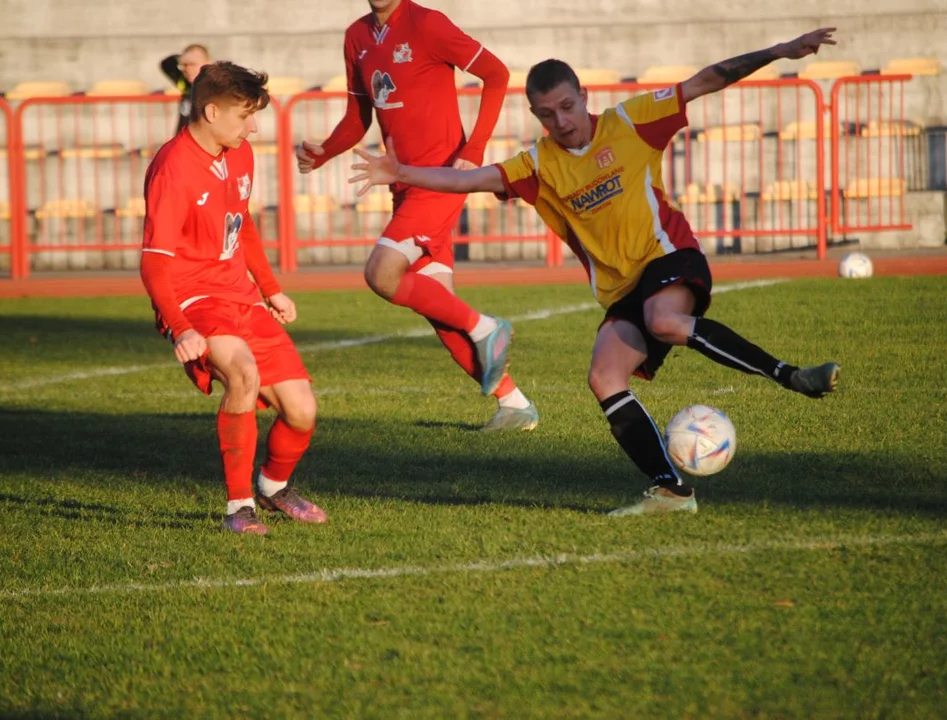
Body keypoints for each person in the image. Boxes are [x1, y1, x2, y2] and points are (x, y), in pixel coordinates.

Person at [349, 29, 843, 515]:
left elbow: (708, 78)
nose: (560, 121)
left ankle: (791, 376)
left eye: (567, 106)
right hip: (622, 289)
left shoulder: (631, 121)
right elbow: (466, 180)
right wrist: (402, 173)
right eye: (547, 114)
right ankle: (670, 490)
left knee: (665, 322)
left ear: (584, 95)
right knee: (604, 376)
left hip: (668, 255)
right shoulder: (539, 165)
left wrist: (778, 52)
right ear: (536, 116)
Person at [296, 0, 537, 432]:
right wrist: (324, 152)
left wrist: (474, 149)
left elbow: (497, 74)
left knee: (382, 273)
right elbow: (358, 117)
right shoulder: (357, 36)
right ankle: (514, 404)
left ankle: (486, 327)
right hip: (402, 183)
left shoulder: (428, 23)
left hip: (441, 177)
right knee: (437, 304)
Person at [141, 61, 327, 535]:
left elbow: (241, 229)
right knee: (242, 374)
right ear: (210, 111)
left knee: (303, 411)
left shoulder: (239, 154)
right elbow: (155, 262)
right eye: (245, 115)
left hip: (241, 296)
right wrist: (180, 326)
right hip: (195, 300)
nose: (254, 125)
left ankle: (271, 487)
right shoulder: (172, 168)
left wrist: (272, 289)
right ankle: (237, 508)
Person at [160, 44, 212, 134]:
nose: (188, 69)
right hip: (182, 140)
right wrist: (181, 57)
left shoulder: (215, 87)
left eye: (192, 64)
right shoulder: (185, 84)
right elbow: (166, 64)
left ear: (207, 63)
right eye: (184, 65)